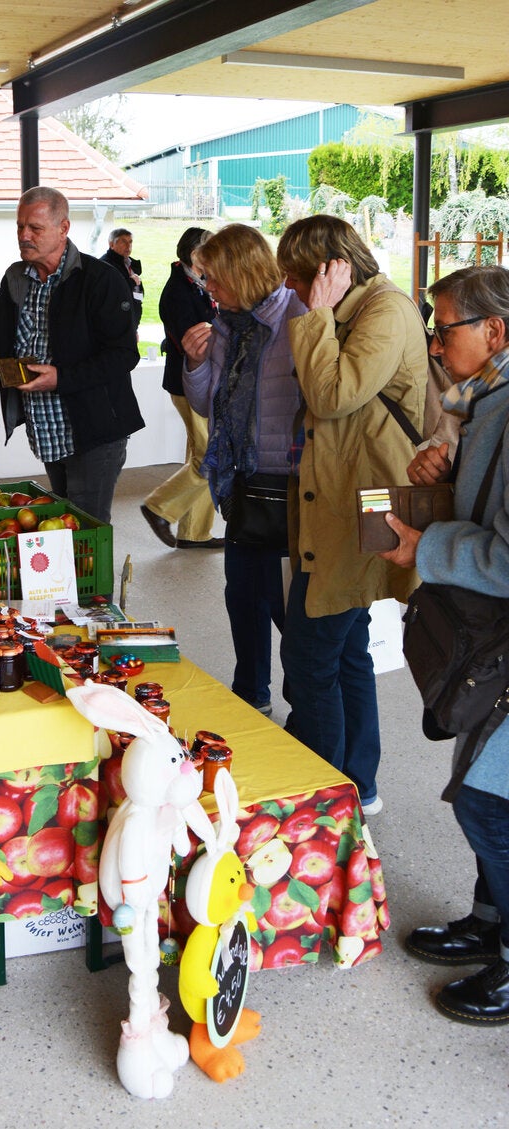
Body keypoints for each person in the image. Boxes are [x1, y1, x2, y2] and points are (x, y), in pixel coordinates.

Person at [381, 265, 509, 1026]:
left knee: (489, 802)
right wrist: (452, 467)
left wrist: (427, 547)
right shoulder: (487, 398)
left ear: (496, 331)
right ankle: (490, 922)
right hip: (491, 634)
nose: (434, 341)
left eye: (445, 325)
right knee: (485, 785)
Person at [276, 214, 429, 815]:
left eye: (294, 275)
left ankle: (324, 799)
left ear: (324, 269)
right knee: (344, 648)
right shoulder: (355, 310)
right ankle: (357, 785)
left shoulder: (385, 311)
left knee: (311, 655)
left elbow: (332, 394)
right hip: (340, 501)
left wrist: (316, 315)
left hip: (358, 508)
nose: (289, 289)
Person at [0, 186, 143, 524]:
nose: (24, 236)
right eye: (20, 227)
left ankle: (91, 578)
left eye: (35, 228)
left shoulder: (100, 280)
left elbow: (122, 355)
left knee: (85, 530)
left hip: (94, 430)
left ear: (64, 228)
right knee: (59, 524)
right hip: (47, 431)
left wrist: (61, 378)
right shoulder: (17, 277)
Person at [182, 224, 305, 716]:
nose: (207, 288)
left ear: (242, 272)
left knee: (287, 608)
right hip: (239, 483)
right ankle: (251, 693)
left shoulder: (299, 317)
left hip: (287, 486)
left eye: (213, 278)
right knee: (243, 598)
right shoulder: (225, 325)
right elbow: (207, 404)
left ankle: (307, 705)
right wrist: (194, 365)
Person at [140, 227, 222, 549]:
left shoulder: (200, 285)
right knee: (208, 457)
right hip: (189, 385)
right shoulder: (178, 292)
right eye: (209, 249)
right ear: (193, 254)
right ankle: (158, 507)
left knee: (200, 455)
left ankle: (194, 533)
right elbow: (197, 342)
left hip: (201, 384)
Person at [100, 227, 144, 332]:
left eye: (130, 242)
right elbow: (113, 295)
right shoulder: (104, 266)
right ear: (111, 244)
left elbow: (137, 297)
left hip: (130, 326)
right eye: (123, 242)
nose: (128, 246)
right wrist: (131, 283)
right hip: (114, 328)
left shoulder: (129, 264)